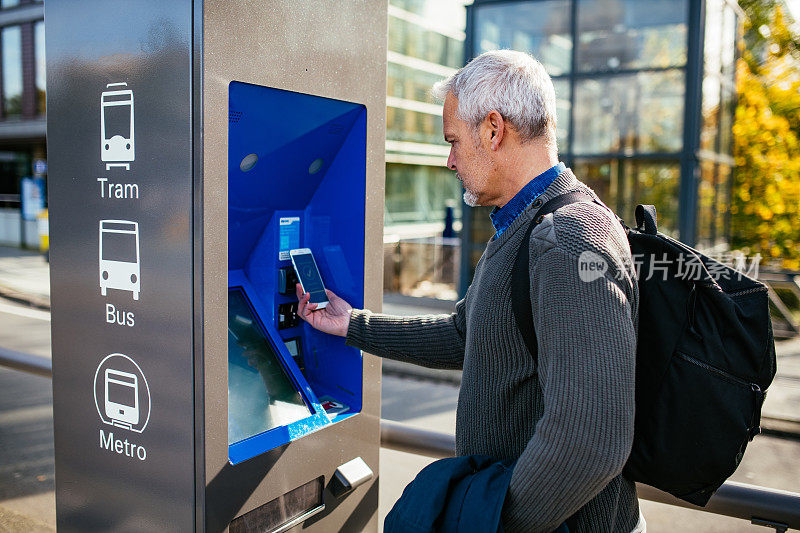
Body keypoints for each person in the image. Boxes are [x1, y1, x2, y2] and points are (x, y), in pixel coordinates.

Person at [296, 50, 644, 533]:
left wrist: (491, 522)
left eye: (454, 141)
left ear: (493, 130)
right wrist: (353, 324)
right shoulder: (522, 228)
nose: (450, 160)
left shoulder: (568, 238)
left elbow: (591, 439)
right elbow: (467, 334)